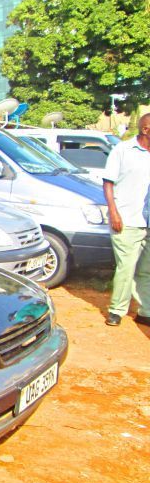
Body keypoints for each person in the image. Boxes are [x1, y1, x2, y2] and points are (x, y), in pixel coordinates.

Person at [102, 113, 150, 326]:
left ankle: (145, 311)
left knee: (146, 270)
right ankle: (117, 310)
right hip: (127, 218)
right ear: (146, 129)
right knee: (126, 267)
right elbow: (108, 183)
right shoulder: (123, 150)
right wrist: (113, 212)